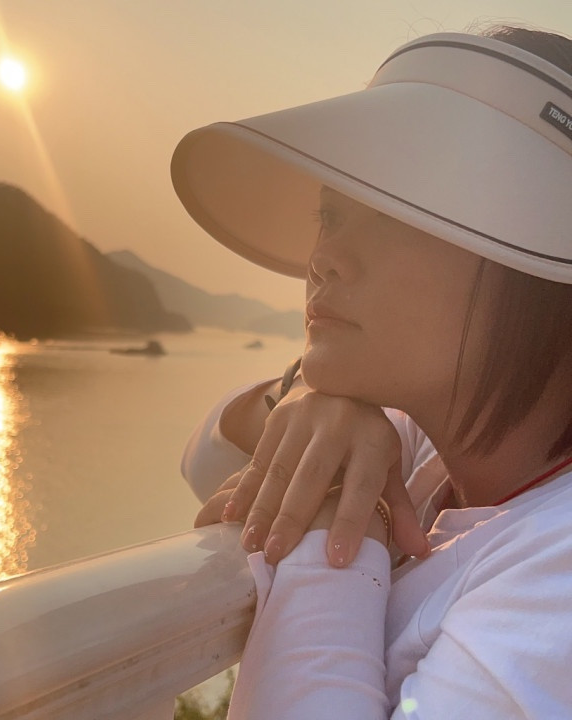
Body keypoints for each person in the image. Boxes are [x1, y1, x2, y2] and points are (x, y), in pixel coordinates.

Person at [171, 25, 572, 719]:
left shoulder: (555, 582)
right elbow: (207, 453)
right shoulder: (432, 457)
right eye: (330, 214)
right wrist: (307, 401)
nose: (321, 258)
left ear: (533, 268)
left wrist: (334, 531)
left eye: (395, 215)